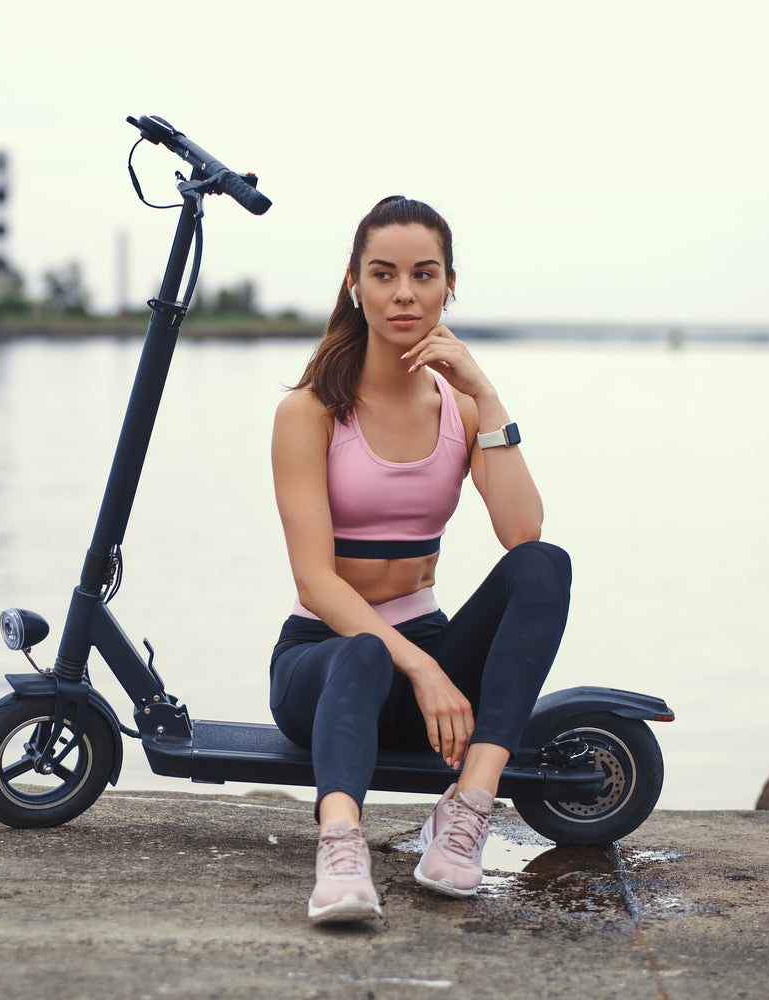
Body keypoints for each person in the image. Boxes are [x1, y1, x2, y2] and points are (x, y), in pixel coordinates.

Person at [269, 196, 572, 923]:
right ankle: (340, 847)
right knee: (364, 653)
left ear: (448, 285)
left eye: (423, 274)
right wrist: (423, 665)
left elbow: (522, 532)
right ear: (355, 285)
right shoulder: (309, 412)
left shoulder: (460, 408)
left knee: (547, 565)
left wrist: (488, 396)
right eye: (384, 274)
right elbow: (314, 580)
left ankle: (469, 805)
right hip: (324, 662)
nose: (404, 293)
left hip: (426, 670)